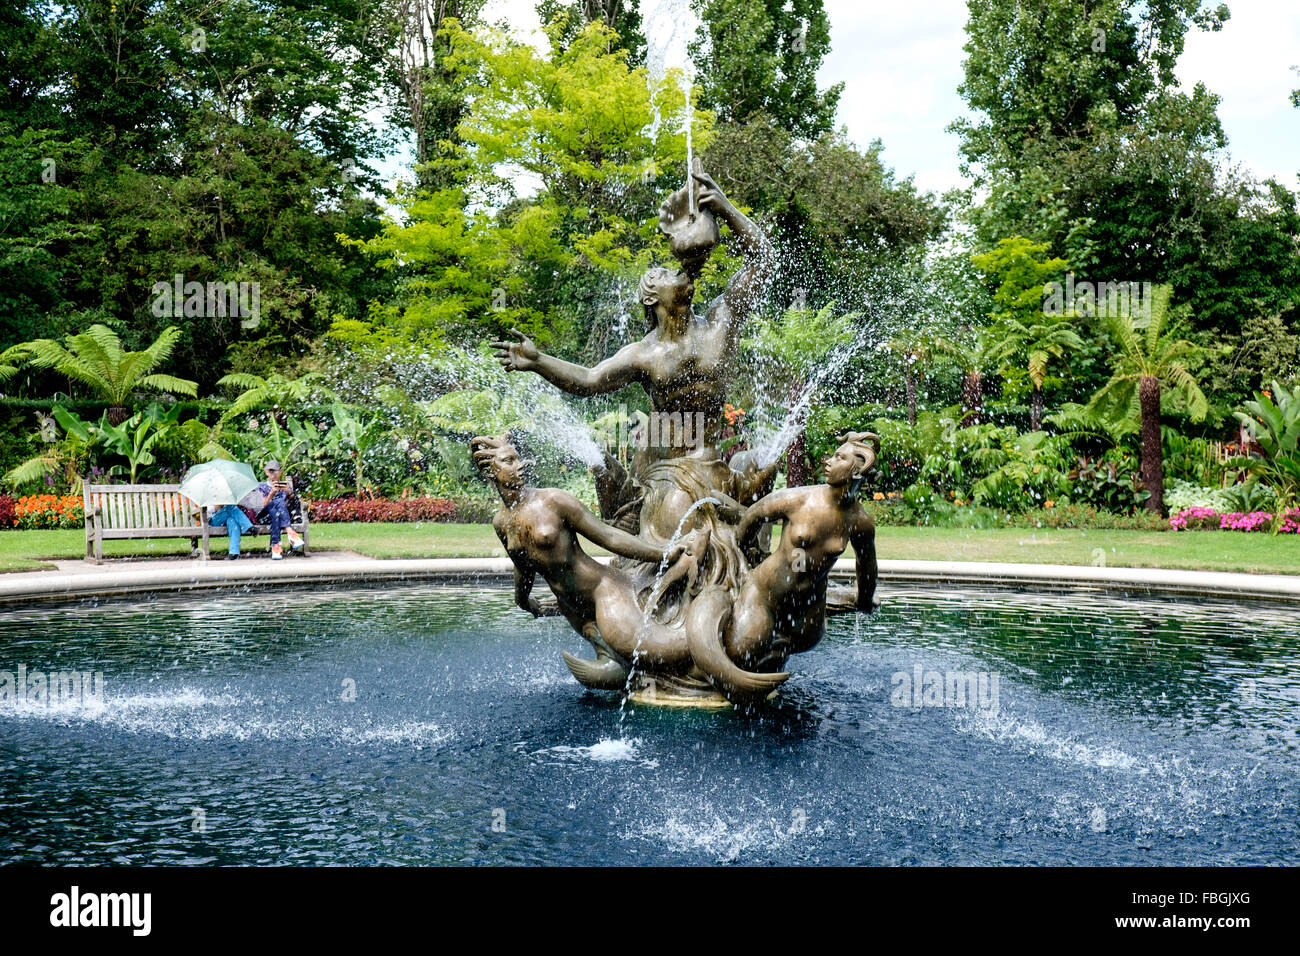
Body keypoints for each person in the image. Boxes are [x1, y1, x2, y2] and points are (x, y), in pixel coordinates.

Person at [685, 432, 881, 704]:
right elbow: (754, 514)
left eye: (839, 458)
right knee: (742, 650)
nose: (828, 461)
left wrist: (863, 600)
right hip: (766, 593)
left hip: (807, 609)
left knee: (793, 645)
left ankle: (765, 676)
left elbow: (867, 566)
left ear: (856, 472)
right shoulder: (798, 499)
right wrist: (740, 551)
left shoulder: (860, 522)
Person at [255, 459, 303, 560]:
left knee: (275, 512)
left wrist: (289, 492)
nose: (273, 474)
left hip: (278, 516)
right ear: (266, 472)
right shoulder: (261, 487)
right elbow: (262, 506)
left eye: (275, 471)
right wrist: (271, 494)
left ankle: (275, 547)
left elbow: (290, 504)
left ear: (280, 472)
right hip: (264, 516)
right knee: (277, 503)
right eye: (270, 471)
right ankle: (290, 532)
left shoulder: (284, 485)